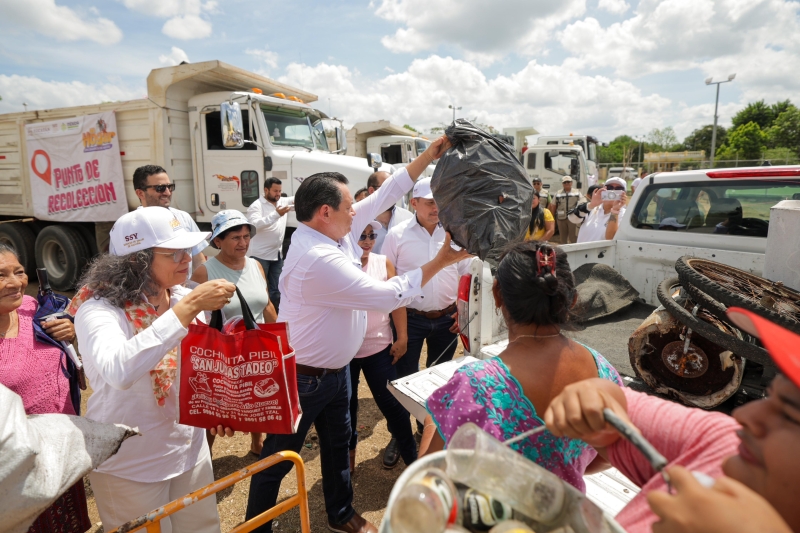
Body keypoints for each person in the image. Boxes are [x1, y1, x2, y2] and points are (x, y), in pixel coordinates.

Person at [244, 136, 470, 533]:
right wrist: (441, 261)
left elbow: (387, 193)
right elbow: (385, 296)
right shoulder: (320, 256)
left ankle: (341, 513)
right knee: (280, 458)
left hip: (334, 374)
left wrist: (428, 156)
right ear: (326, 211)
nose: (359, 215)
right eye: (351, 207)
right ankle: (255, 526)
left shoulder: (331, 232)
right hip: (307, 379)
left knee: (337, 446)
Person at [544, 305, 800, 533]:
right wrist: (593, 394)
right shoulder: (725, 443)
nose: (744, 415)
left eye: (789, 415)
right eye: (771, 397)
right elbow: (616, 403)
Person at [72, 207, 237, 533]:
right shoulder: (99, 311)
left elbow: (195, 372)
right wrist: (188, 310)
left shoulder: (184, 299)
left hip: (190, 452)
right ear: (136, 260)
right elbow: (119, 371)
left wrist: (215, 409)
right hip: (131, 465)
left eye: (187, 249)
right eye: (173, 252)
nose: (186, 258)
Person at [419, 242, 622, 492]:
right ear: (572, 300)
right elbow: (611, 453)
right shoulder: (604, 372)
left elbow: (428, 478)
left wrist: (432, 421)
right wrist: (567, 469)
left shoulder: (474, 386)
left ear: (496, 294)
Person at [0, 245, 91, 533]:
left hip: (63, 449)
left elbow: (67, 352)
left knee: (68, 523)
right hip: (17, 468)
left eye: (18, 271)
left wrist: (71, 332)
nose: (15, 282)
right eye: (1, 276)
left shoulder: (34, 308)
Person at [382, 178, 472, 413]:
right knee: (405, 379)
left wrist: (461, 314)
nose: (436, 208)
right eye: (431, 202)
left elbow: (467, 275)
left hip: (447, 320)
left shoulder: (455, 234)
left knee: (441, 376)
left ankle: (429, 430)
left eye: (440, 202)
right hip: (409, 320)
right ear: (414, 203)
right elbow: (389, 280)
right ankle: (402, 437)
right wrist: (399, 332)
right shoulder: (397, 236)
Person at [192, 209, 277, 457]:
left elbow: (267, 305)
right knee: (217, 409)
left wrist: (280, 338)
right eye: (235, 238)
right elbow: (193, 314)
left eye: (246, 236)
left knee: (261, 397)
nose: (243, 243)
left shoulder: (256, 266)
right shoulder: (204, 273)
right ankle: (204, 456)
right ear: (218, 241)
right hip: (223, 353)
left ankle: (257, 442)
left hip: (257, 346)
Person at [348, 221, 417, 472]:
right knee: (347, 409)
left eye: (371, 235)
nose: (367, 240)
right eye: (361, 235)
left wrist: (402, 337)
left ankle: (412, 461)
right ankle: (348, 461)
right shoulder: (339, 265)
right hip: (345, 353)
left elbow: (397, 301)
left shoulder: (383, 262)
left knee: (393, 406)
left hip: (378, 347)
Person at [109, 165, 207, 278]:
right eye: (160, 188)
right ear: (140, 193)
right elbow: (118, 269)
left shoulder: (183, 217)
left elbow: (198, 260)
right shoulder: (126, 226)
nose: (167, 192)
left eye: (170, 187)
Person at [247, 177, 293, 311]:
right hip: (260, 256)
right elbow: (254, 225)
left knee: (277, 289)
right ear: (266, 190)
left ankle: (276, 317)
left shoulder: (282, 201)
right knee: (259, 289)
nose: (278, 194)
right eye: (275, 191)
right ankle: (258, 316)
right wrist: (276, 214)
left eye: (280, 191)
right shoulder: (256, 206)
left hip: (277, 255)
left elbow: (296, 198)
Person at [365, 171, 413, 253]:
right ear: (372, 191)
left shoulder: (409, 218)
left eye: (395, 188)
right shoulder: (358, 220)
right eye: (388, 188)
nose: (394, 193)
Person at [576, 177, 628, 243]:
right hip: (581, 252)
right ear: (603, 190)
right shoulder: (591, 208)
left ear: (624, 194)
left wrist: (615, 210)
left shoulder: (625, 215)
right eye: (609, 188)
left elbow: (610, 238)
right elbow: (573, 219)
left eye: (619, 189)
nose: (612, 191)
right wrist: (591, 204)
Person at [549, 176, 582, 243]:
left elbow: (582, 203)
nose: (566, 183)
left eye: (568, 182)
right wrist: (552, 218)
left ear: (571, 183)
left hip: (573, 218)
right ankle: (564, 252)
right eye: (565, 182)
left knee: (573, 237)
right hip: (561, 219)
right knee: (563, 238)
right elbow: (553, 206)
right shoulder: (558, 193)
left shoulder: (577, 192)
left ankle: (574, 252)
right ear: (562, 184)